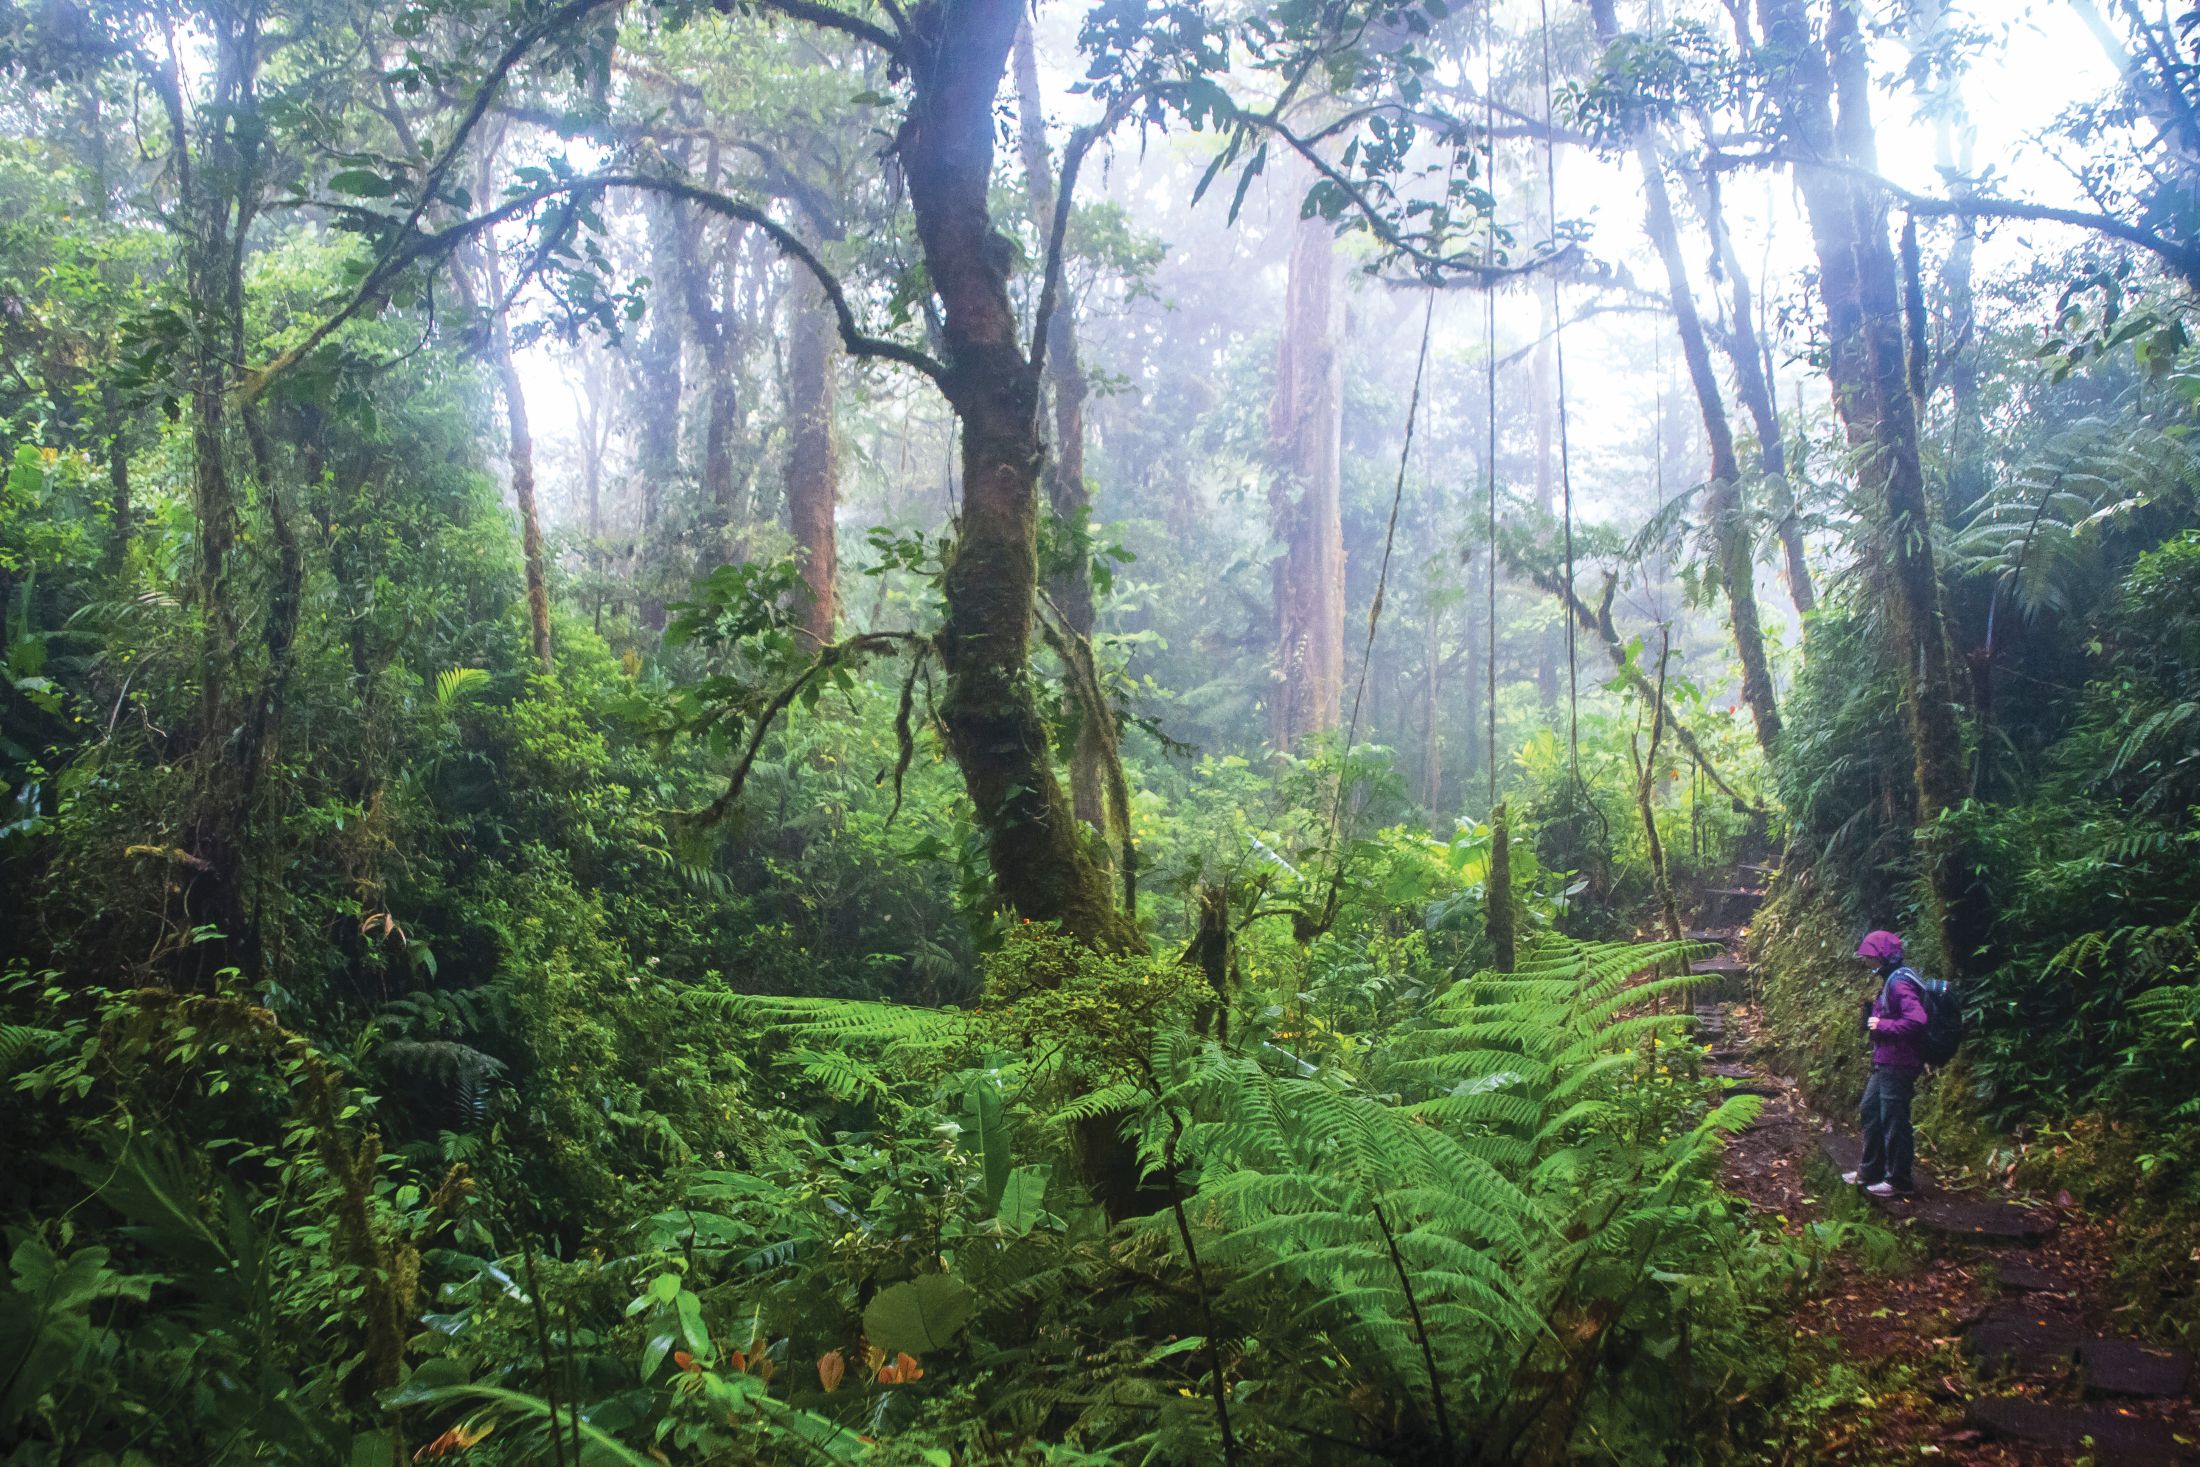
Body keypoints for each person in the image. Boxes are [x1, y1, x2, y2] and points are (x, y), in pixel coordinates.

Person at [1841, 929, 1928, 1198]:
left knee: (1894, 1119)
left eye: (1870, 956)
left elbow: (1918, 1020)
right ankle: (1871, 1170)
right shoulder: (1893, 978)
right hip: (1886, 1060)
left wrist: (1883, 1024)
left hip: (1900, 1062)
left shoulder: (1899, 983)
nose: (1867, 962)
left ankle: (1899, 1180)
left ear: (1882, 957)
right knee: (1870, 1109)